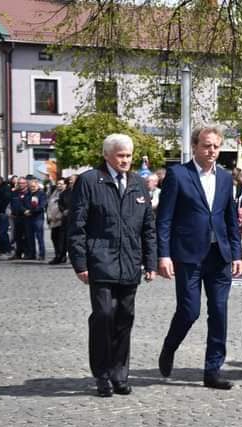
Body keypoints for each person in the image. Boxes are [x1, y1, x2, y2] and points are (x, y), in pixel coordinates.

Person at [68, 133, 157, 397]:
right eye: (120, 155)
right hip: (100, 261)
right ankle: (102, 374)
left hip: (130, 262)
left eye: (129, 155)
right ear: (107, 155)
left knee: (124, 318)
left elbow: (148, 227)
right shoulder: (89, 181)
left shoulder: (138, 184)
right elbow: (77, 225)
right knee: (104, 315)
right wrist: (80, 262)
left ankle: (120, 375)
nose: (125, 160)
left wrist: (150, 261)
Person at [156, 125, 242, 390]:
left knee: (219, 311)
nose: (212, 151)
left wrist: (237, 253)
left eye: (216, 146)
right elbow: (164, 219)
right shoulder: (178, 174)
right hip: (188, 255)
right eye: (206, 146)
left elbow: (230, 219)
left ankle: (212, 370)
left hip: (219, 255)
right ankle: (170, 346)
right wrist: (164, 254)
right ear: (195, 146)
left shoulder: (225, 178)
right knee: (189, 310)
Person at [23, 178, 47, 261]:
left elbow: (42, 206)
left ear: (37, 186)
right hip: (28, 218)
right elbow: (23, 204)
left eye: (33, 186)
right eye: (30, 186)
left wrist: (31, 211)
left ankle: (41, 254)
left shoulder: (41, 194)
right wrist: (24, 210)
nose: (32, 188)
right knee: (30, 237)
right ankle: (31, 254)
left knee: (39, 237)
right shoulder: (27, 194)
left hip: (38, 218)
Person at [46, 178, 67, 264]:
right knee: (54, 238)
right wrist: (49, 216)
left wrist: (58, 217)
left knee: (61, 240)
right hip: (53, 220)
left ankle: (60, 256)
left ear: (65, 185)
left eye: (61, 184)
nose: (59, 185)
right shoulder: (54, 193)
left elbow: (64, 207)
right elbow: (49, 206)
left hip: (61, 220)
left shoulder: (66, 194)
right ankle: (58, 255)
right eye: (58, 184)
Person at [9, 177, 29, 260]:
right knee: (17, 237)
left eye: (23, 183)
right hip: (16, 217)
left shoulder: (29, 193)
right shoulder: (14, 193)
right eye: (19, 183)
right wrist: (12, 212)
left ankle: (27, 253)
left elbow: (29, 205)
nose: (21, 185)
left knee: (26, 236)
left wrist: (25, 211)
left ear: (26, 184)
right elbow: (12, 203)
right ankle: (18, 253)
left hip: (26, 217)